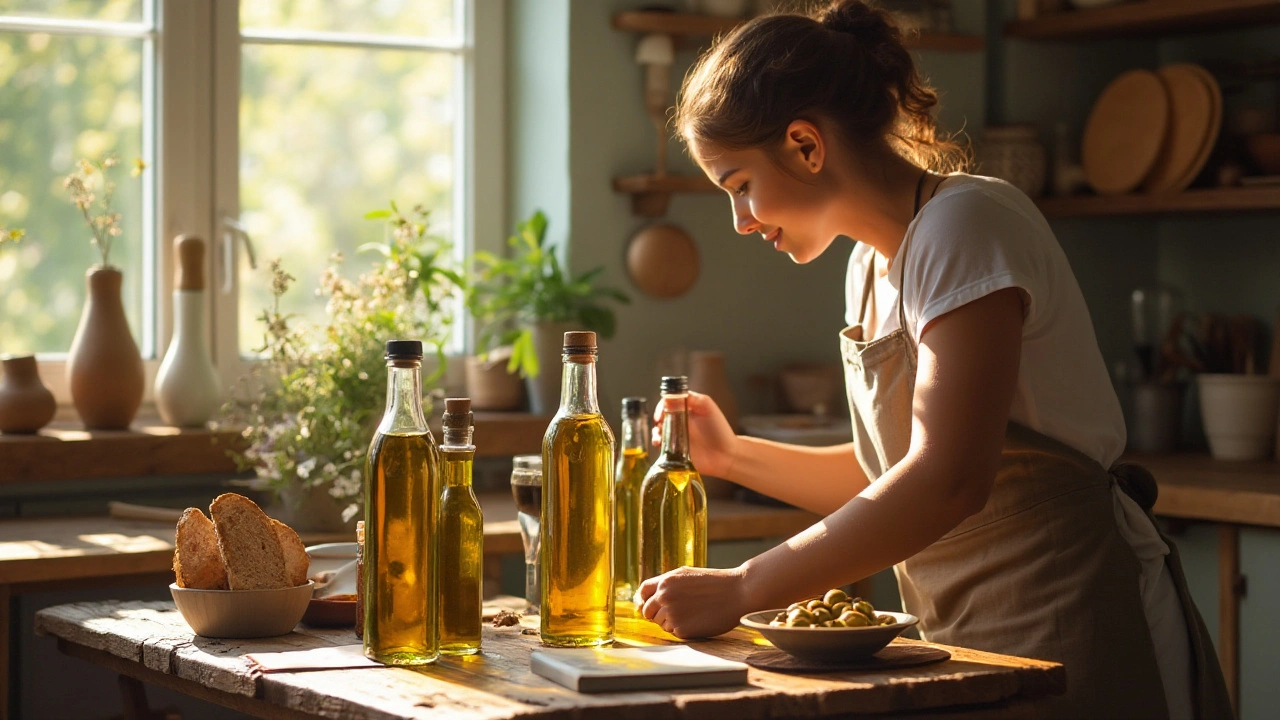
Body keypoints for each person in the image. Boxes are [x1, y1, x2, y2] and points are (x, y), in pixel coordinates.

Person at [633, 2, 1230, 718]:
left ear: (805, 144)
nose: (742, 221)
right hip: (967, 638)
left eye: (739, 186)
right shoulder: (867, 268)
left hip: (1072, 616)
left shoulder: (967, 224)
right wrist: (734, 458)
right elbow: (891, 473)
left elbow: (948, 481)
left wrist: (743, 588)